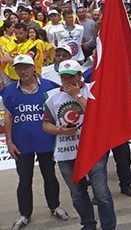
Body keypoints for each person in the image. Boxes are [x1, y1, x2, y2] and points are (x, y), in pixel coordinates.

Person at [42, 60, 116, 230]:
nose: (67, 80)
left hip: (92, 150)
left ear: (79, 76)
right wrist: (59, 130)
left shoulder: (93, 89)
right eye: (64, 77)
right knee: (77, 194)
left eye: (71, 76)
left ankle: (109, 226)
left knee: (101, 193)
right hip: (66, 153)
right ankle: (88, 224)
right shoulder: (52, 96)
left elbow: (98, 115)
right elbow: (45, 124)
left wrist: (78, 96)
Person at [3, 55, 68, 230]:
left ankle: (55, 207)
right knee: (24, 180)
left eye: (25, 67)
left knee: (50, 176)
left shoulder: (49, 87)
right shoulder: (9, 90)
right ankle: (24, 214)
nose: (22, 71)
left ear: (34, 68)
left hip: (46, 141)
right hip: (21, 144)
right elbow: (8, 117)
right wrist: (9, 141)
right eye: (18, 68)